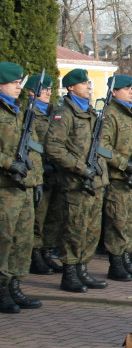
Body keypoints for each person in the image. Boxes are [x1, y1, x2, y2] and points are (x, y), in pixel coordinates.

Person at [45, 68, 109, 293]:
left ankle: (82, 269)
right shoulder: (65, 113)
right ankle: (70, 272)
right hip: (76, 182)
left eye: (90, 83)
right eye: (84, 84)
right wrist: (81, 168)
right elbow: (54, 148)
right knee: (74, 229)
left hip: (95, 181)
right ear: (71, 87)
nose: (89, 87)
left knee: (91, 230)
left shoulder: (90, 112)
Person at [0, 62, 42, 313]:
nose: (19, 87)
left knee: (22, 240)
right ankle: (2, 288)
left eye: (19, 82)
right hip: (5, 188)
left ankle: (15, 284)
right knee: (3, 240)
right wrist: (8, 164)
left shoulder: (19, 112)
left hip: (24, 187)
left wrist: (36, 180)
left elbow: (33, 150)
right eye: (14, 82)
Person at [100, 75, 132, 281]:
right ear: (114, 91)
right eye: (126, 88)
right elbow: (103, 147)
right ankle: (116, 262)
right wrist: (124, 164)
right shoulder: (110, 114)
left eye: (131, 88)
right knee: (117, 221)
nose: (131, 91)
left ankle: (126, 258)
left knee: (130, 221)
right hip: (118, 177)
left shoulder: (131, 113)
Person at [25, 73, 65, 278]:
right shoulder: (28, 113)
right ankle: (35, 255)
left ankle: (47, 252)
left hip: (57, 170)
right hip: (40, 171)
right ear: (32, 92)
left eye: (50, 89)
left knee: (54, 216)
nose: (49, 92)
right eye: (45, 89)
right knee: (38, 218)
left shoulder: (55, 112)